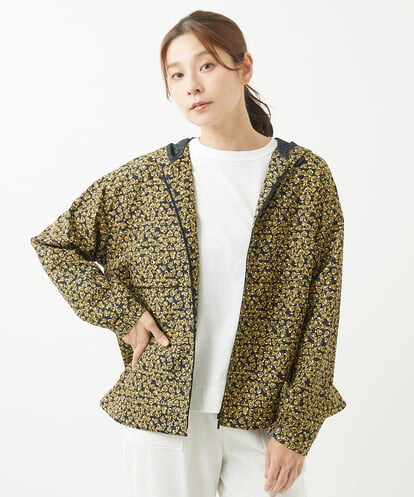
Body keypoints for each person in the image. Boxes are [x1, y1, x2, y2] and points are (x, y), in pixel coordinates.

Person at [30, 9, 347, 497]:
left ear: (244, 67)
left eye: (206, 66)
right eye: (176, 75)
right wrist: (123, 314)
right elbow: (55, 243)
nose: (192, 85)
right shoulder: (147, 179)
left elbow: (322, 313)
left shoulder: (305, 178)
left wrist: (298, 425)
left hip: (263, 417)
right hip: (164, 415)